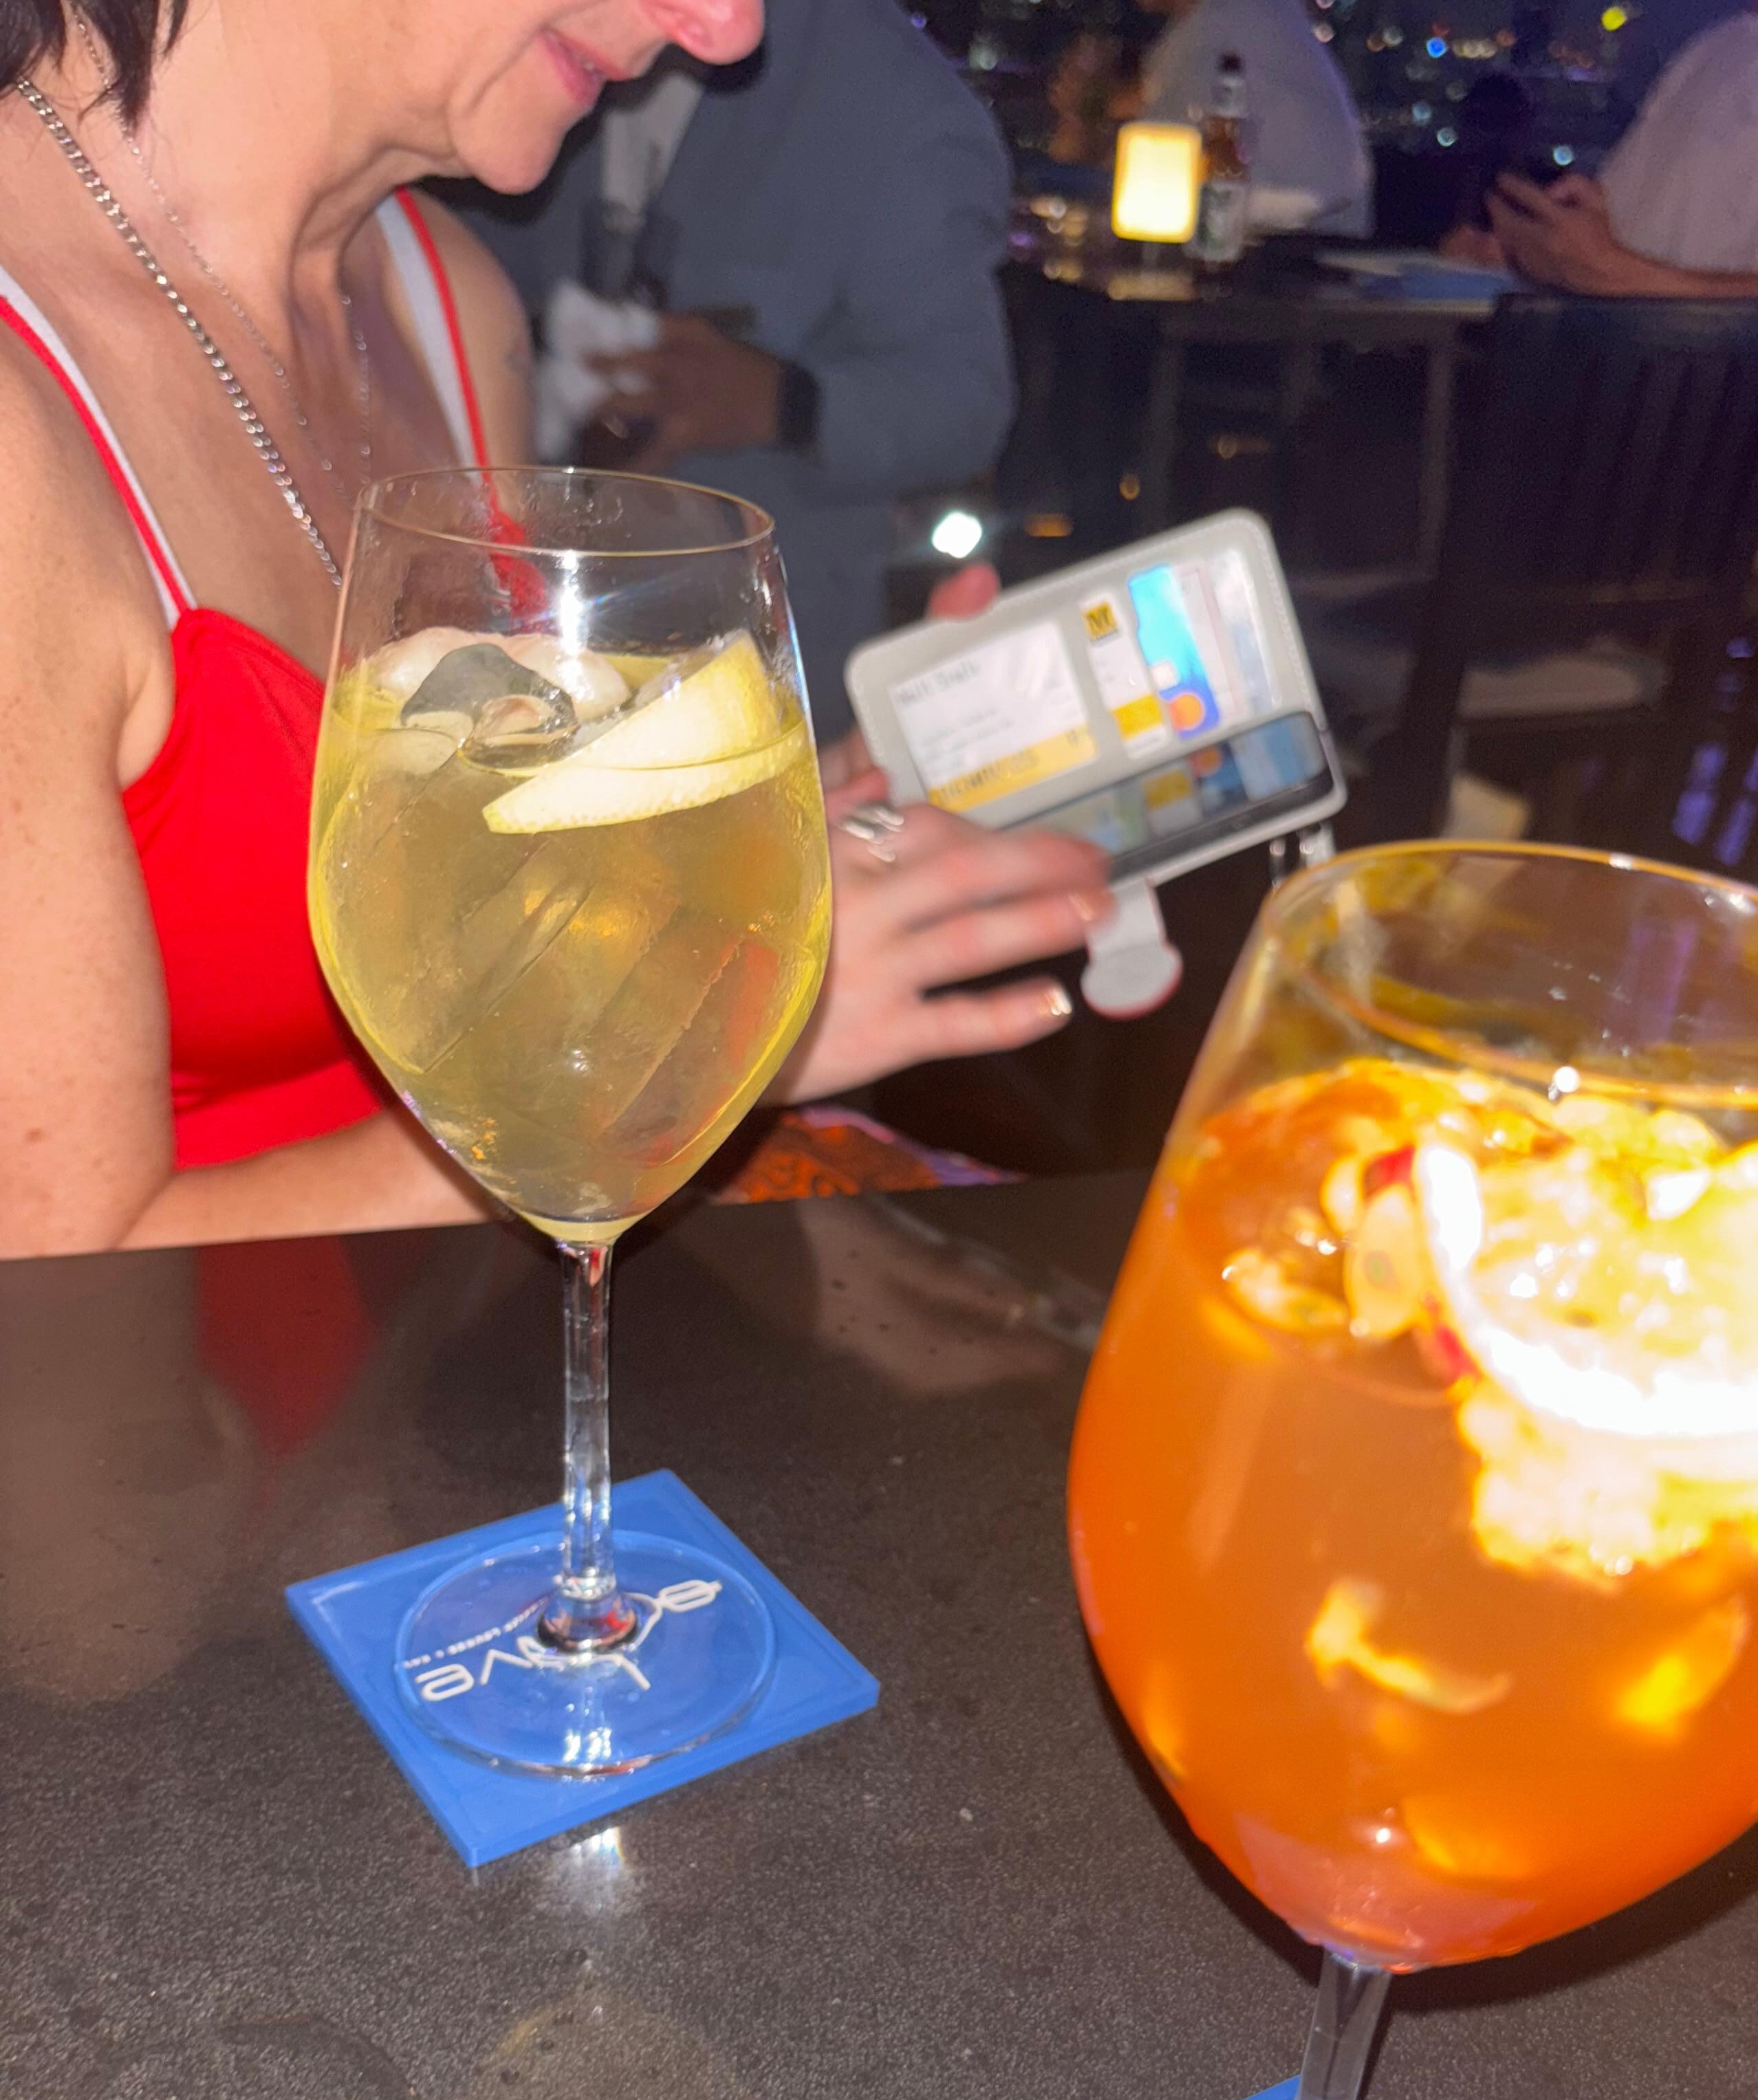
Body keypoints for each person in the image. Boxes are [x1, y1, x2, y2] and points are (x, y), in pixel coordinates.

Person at [0, 0, 1107, 1258]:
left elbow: (489, 894)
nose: (725, 29)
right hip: (180, 1384)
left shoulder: (445, 302)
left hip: (446, 1338)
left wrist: (748, 843)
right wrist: (671, 1059)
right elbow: (42, 1293)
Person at [465, 0, 1018, 732]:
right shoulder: (523, 33)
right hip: (525, 621)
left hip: (755, 661)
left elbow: (964, 403)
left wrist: (784, 401)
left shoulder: (898, 100)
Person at [1471, 0, 1758, 316]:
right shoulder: (1715, 44)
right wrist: (1522, 249)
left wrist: (1608, 274)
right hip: (1602, 367)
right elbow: (1613, 232)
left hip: (1695, 407)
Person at [1137, 0, 1371, 239]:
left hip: (1294, 240)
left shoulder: (1228, 25)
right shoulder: (1237, 18)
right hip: (1304, 233)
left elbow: (1161, 151)